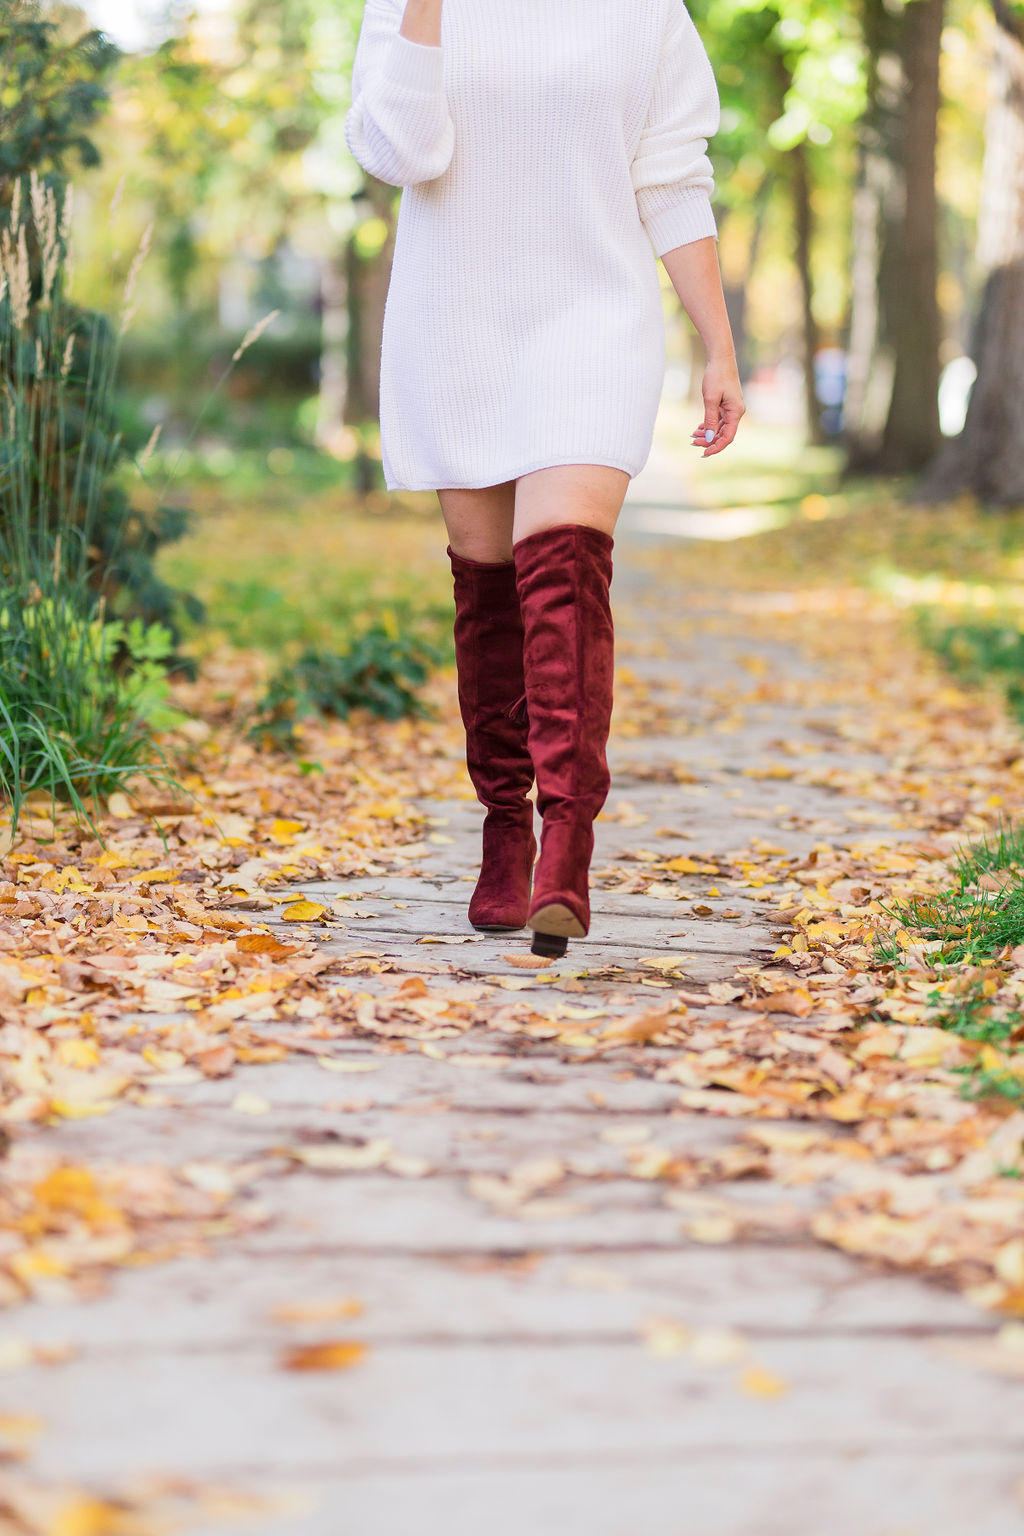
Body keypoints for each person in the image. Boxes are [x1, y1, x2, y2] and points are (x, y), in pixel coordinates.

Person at [345, 0, 744, 957]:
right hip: (459, 322)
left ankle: (568, 841)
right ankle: (505, 828)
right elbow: (399, 151)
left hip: (593, 321)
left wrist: (719, 346)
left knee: (563, 570)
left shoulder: (646, 14)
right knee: (487, 593)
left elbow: (674, 180)